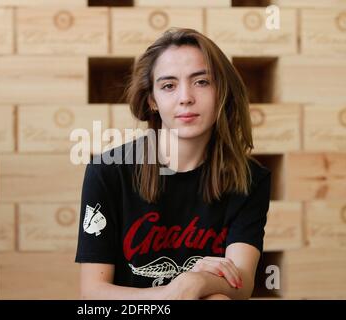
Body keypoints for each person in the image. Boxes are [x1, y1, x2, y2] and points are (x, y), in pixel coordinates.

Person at [75, 27, 271, 300]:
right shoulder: (107, 172)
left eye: (201, 81)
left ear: (221, 91)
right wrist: (176, 291)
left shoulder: (249, 179)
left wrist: (198, 282)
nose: (185, 97)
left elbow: (242, 283)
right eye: (169, 85)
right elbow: (93, 292)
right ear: (152, 100)